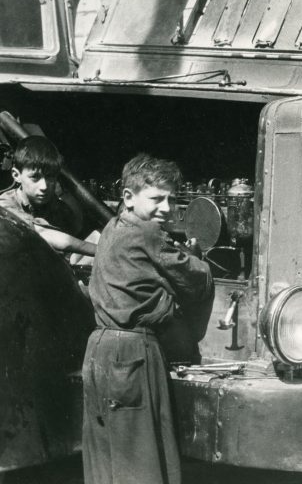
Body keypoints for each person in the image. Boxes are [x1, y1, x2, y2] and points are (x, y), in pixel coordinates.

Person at [82, 153, 214, 484]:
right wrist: (195, 259)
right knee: (143, 464)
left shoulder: (112, 227)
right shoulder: (148, 233)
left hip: (99, 351)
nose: (167, 208)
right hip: (134, 354)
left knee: (109, 462)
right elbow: (195, 279)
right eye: (157, 198)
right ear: (128, 197)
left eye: (172, 199)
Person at [0, 135, 96, 257]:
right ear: (16, 175)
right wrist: (102, 251)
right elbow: (44, 233)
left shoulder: (53, 203)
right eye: (35, 177)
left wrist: (62, 193)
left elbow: (76, 227)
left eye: (50, 176)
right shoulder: (4, 204)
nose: (44, 186)